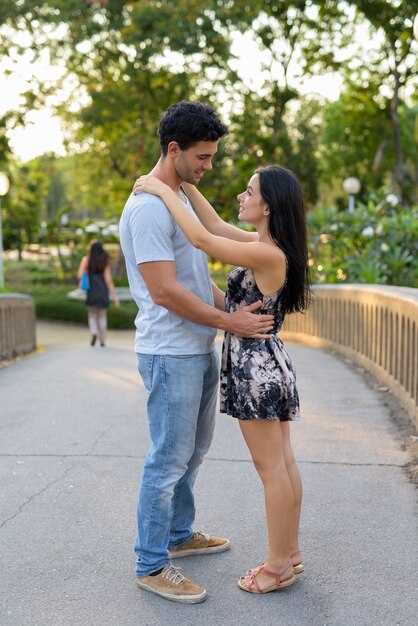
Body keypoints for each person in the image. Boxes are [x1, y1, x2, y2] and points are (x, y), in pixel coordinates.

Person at [119, 101, 275, 604]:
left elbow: (193, 279)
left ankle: (179, 535)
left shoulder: (178, 200)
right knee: (167, 460)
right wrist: (230, 321)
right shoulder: (147, 209)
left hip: (196, 345)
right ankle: (151, 563)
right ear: (174, 149)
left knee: (193, 453)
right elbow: (165, 291)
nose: (209, 166)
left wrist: (230, 309)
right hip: (170, 351)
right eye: (203, 157)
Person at [133, 164, 311, 595]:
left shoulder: (267, 253)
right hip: (269, 362)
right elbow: (211, 224)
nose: (240, 196)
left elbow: (201, 238)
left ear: (267, 206)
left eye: (249, 192)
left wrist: (159, 187)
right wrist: (185, 184)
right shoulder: (265, 244)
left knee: (272, 469)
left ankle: (275, 567)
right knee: (283, 464)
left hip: (257, 369)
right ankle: (290, 553)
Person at [77, 241, 120, 347]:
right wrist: (115, 297)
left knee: (92, 316)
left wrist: (84, 263)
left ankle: (94, 332)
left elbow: (79, 275)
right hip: (102, 294)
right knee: (102, 317)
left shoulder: (87, 261)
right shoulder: (104, 262)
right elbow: (108, 281)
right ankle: (102, 340)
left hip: (91, 293)